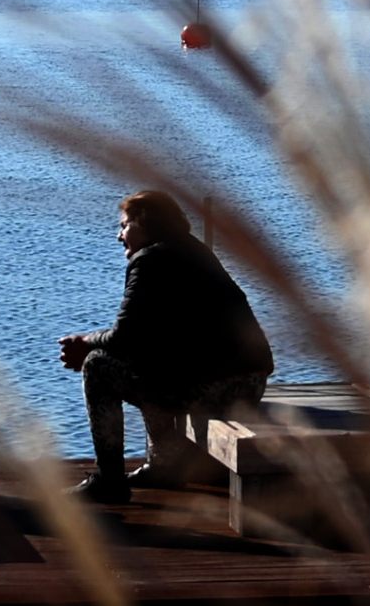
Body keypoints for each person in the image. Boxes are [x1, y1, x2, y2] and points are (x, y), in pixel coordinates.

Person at [58, 189, 272, 502]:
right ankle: (164, 466)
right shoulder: (191, 251)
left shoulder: (151, 259)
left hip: (218, 386)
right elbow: (143, 337)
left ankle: (110, 480)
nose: (120, 236)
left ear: (145, 224)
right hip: (247, 382)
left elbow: (124, 337)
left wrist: (85, 343)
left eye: (124, 226)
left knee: (98, 366)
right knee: (144, 361)